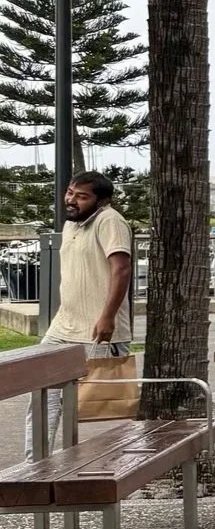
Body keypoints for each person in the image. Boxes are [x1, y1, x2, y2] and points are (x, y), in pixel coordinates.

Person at [27, 172, 134, 451]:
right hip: (62, 327)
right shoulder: (72, 224)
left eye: (82, 196)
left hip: (97, 330)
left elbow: (121, 269)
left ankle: (108, 464)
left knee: (96, 405)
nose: (72, 200)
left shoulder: (110, 221)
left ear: (102, 201)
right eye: (70, 192)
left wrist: (107, 316)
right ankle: (34, 465)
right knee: (41, 394)